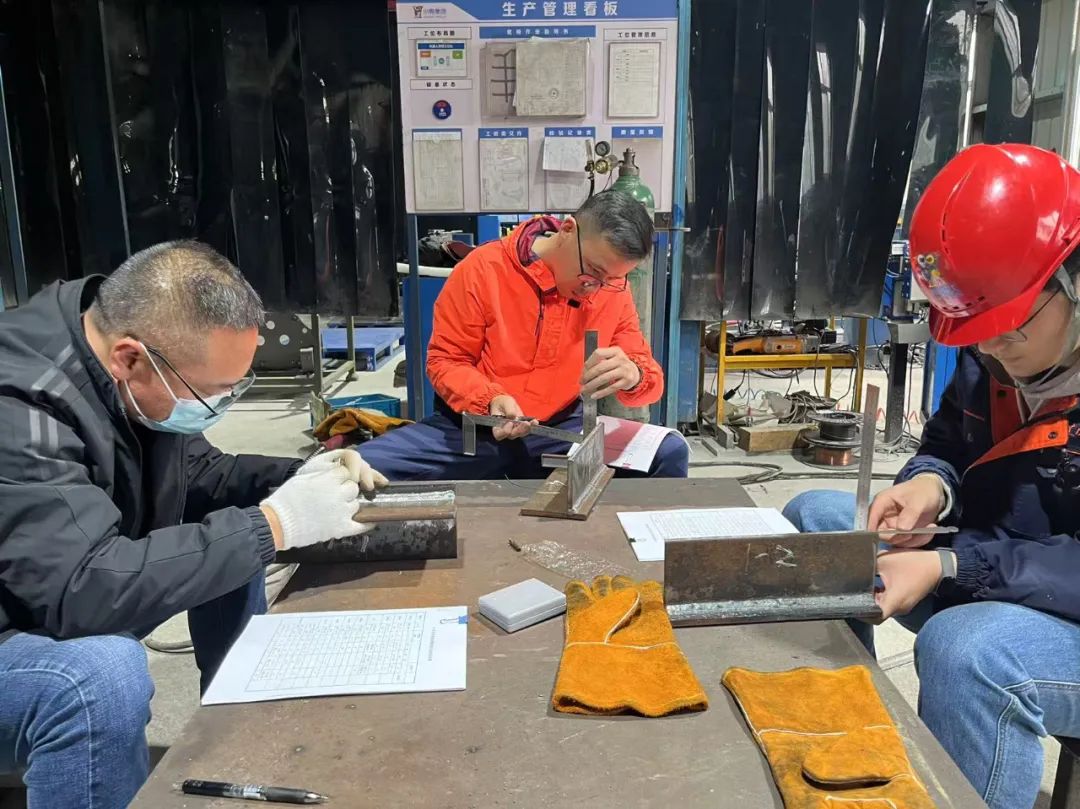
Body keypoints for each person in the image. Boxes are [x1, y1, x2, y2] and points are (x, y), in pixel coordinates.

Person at [0, 241, 385, 808]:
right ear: (130, 358)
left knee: (235, 533)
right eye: (210, 393)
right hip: (25, 620)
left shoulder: (123, 363)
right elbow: (79, 591)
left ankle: (233, 735)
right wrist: (274, 524)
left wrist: (301, 477)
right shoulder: (20, 409)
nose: (220, 405)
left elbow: (199, 477)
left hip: (50, 590)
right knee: (97, 679)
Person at [783, 143, 1080, 809]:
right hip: (996, 566)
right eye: (976, 332)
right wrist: (930, 486)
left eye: (1010, 329)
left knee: (966, 650)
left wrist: (950, 565)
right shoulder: (993, 351)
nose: (991, 348)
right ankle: (846, 754)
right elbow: (947, 442)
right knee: (821, 521)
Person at [360, 191, 688, 480]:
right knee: (354, 471)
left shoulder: (613, 292)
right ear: (568, 231)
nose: (595, 288)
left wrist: (634, 375)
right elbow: (446, 361)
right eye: (593, 271)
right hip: (475, 431)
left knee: (670, 451)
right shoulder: (484, 269)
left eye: (612, 279)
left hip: (562, 432)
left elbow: (649, 377)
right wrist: (488, 399)